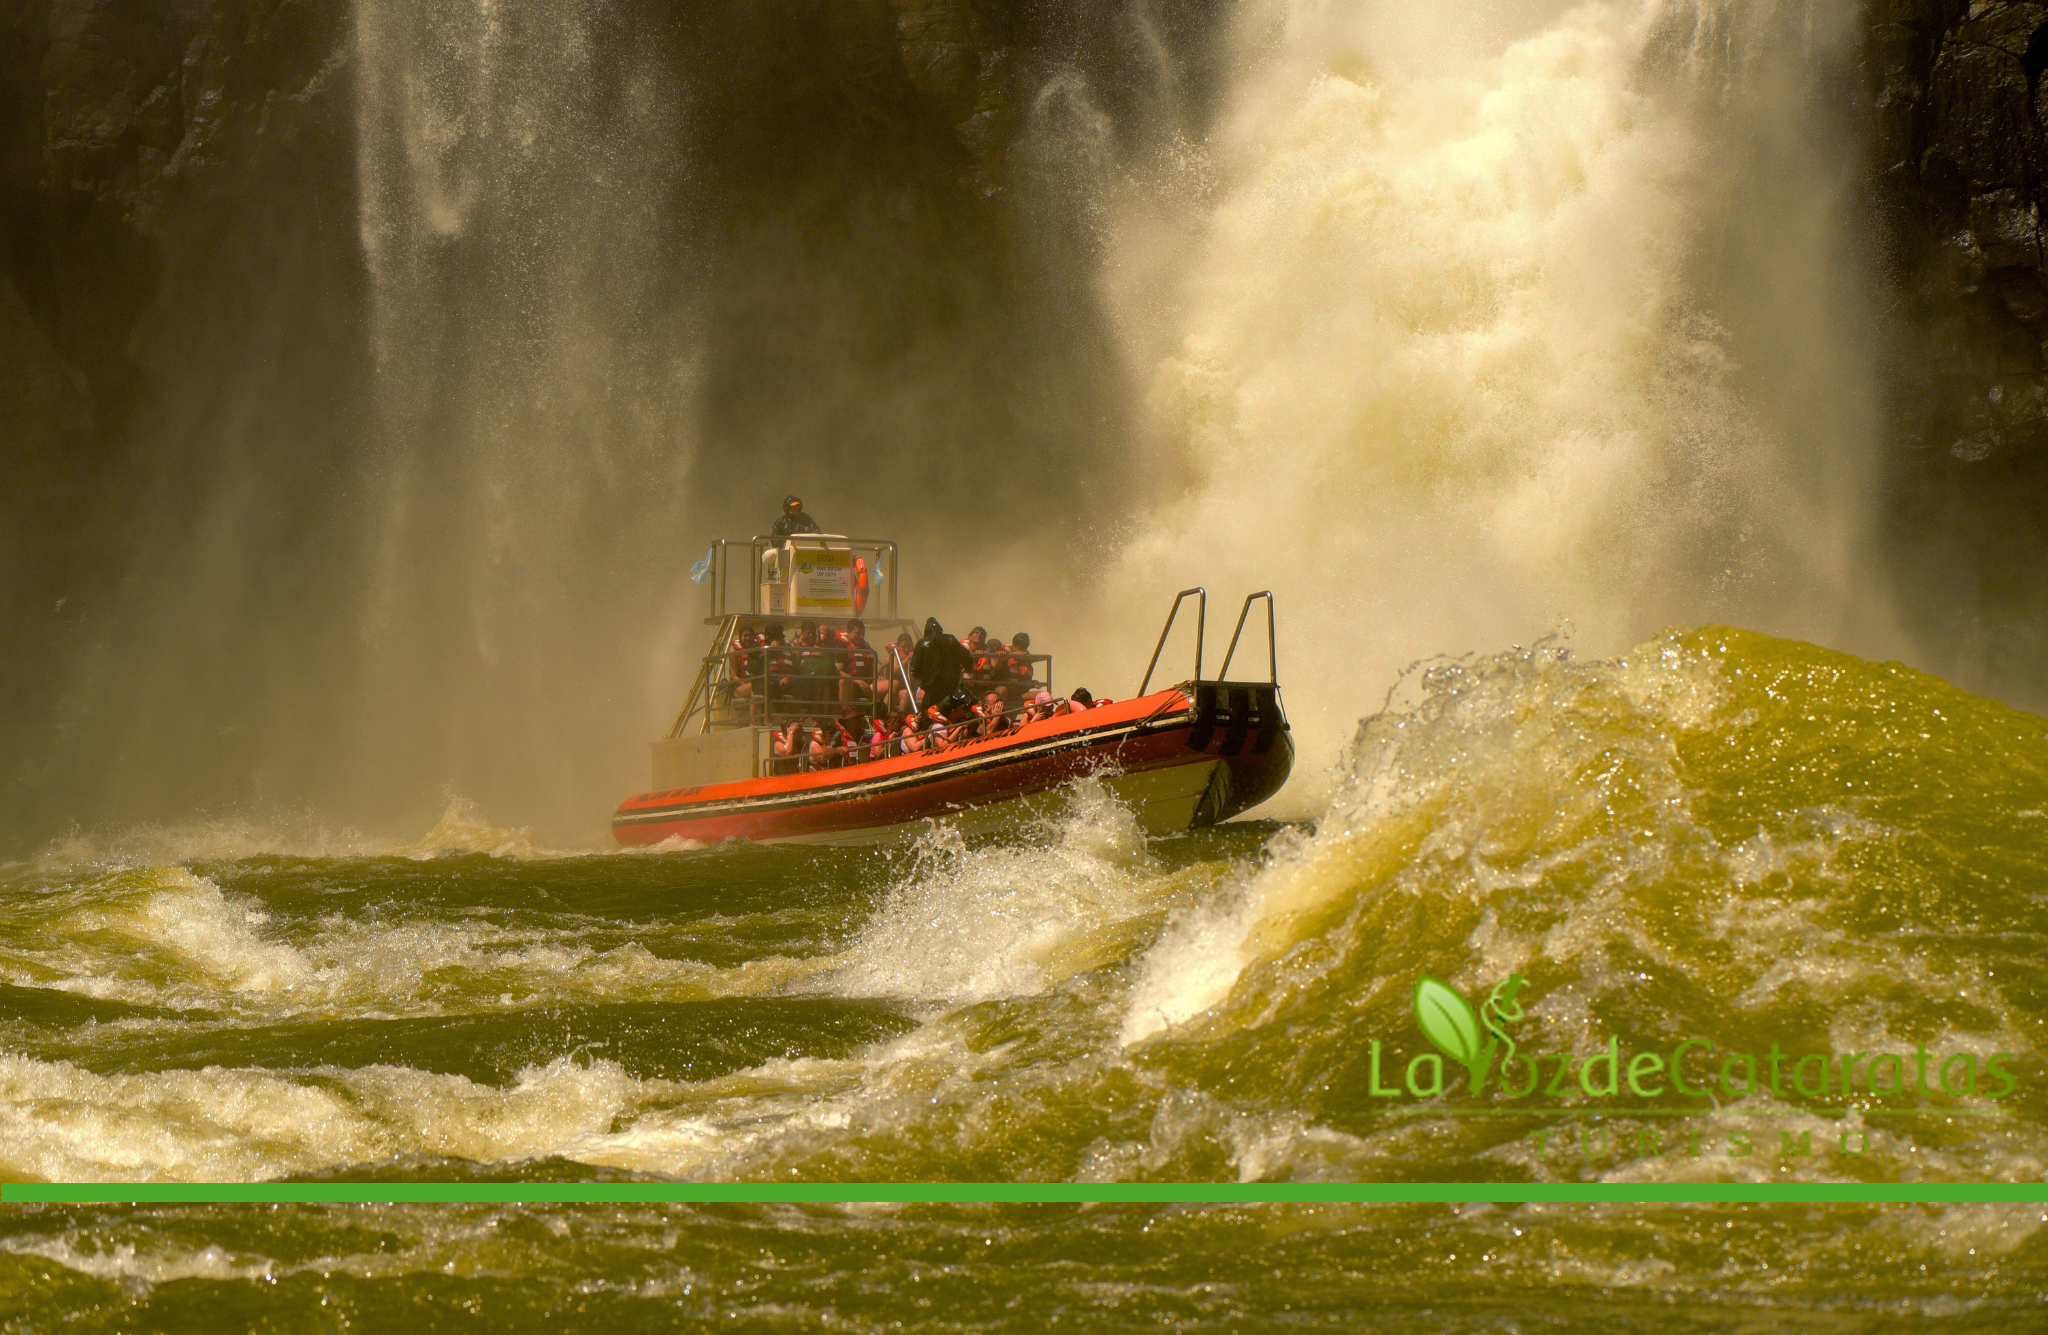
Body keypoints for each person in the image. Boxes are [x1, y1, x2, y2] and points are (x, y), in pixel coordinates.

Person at [908, 617, 972, 710]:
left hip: (931, 689)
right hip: (952, 688)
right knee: (956, 711)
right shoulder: (951, 639)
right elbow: (967, 657)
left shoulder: (921, 643)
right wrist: (968, 667)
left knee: (928, 713)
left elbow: (914, 669)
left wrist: (921, 679)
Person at [838, 619, 877, 706]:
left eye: (863, 634)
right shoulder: (842, 647)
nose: (861, 637)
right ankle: (847, 714)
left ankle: (883, 714)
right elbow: (838, 671)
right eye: (858, 633)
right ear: (849, 632)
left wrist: (879, 675)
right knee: (843, 681)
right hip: (851, 684)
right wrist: (859, 682)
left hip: (868, 684)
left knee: (894, 684)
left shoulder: (866, 647)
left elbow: (872, 670)